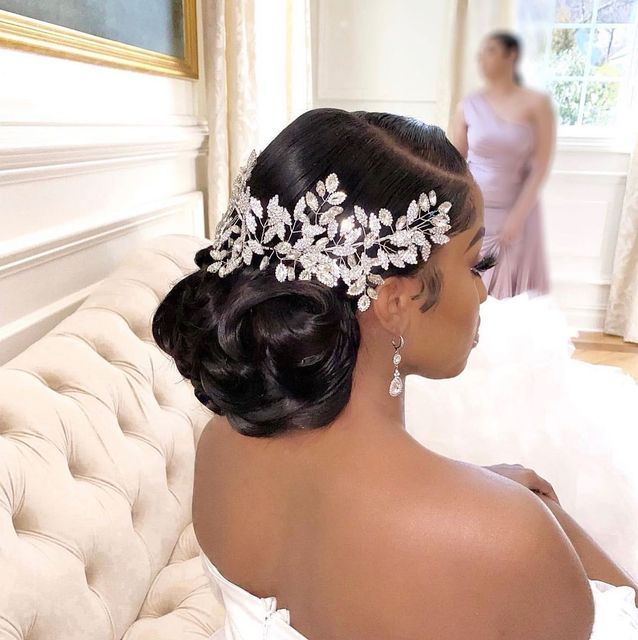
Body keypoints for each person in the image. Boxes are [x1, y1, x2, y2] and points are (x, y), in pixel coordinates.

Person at [152, 108, 638, 639]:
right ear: (394, 300)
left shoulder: (219, 445)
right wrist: (540, 516)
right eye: (475, 264)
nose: (483, 292)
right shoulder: (510, 539)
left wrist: (481, 494)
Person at [452, 31, 553, 299]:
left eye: (491, 51)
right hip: (476, 208)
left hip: (516, 209)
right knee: (473, 284)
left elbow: (541, 166)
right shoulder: (468, 105)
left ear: (512, 55)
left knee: (510, 295)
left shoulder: (536, 104)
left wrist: (518, 217)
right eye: (480, 53)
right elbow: (453, 161)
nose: (482, 59)